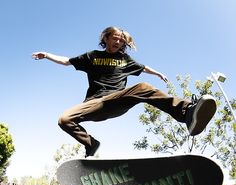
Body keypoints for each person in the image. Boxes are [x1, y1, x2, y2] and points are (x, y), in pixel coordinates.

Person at [32, 26, 216, 157]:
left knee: (143, 87)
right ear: (106, 38)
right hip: (94, 103)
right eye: (115, 38)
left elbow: (143, 68)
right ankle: (91, 144)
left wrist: (158, 73)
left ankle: (187, 112)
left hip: (118, 100)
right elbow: (66, 61)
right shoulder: (92, 56)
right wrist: (47, 55)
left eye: (121, 41)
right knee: (64, 119)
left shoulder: (125, 59)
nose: (118, 42)